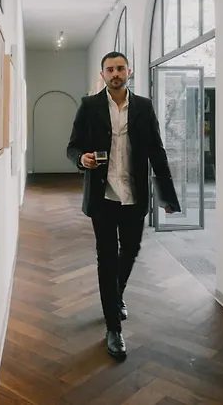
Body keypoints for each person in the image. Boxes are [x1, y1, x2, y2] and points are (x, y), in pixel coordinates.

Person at [67, 51, 180, 359]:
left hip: (134, 196)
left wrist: (168, 196)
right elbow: (72, 146)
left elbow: (157, 151)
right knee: (106, 257)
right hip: (102, 197)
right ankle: (113, 327)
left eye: (120, 68)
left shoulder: (143, 106)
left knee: (130, 250)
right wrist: (81, 159)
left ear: (128, 71)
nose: (115, 73)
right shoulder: (89, 106)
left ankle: (116, 295)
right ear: (102, 74)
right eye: (110, 69)